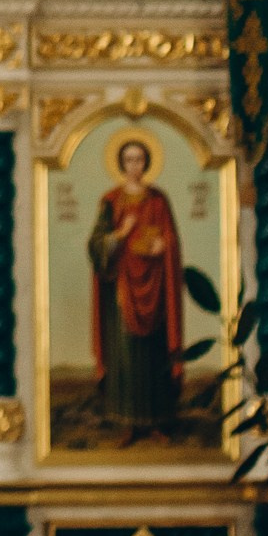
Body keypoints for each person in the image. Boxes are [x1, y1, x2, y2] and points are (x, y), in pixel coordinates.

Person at [88, 137, 189, 436]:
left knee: (153, 358)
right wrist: (120, 234)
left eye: (140, 159)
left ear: (147, 163)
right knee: (126, 357)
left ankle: (156, 422)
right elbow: (96, 245)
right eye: (129, 160)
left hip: (155, 290)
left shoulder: (158, 200)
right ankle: (127, 423)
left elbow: (171, 239)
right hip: (122, 292)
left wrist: (164, 246)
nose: (135, 165)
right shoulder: (111, 200)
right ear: (122, 164)